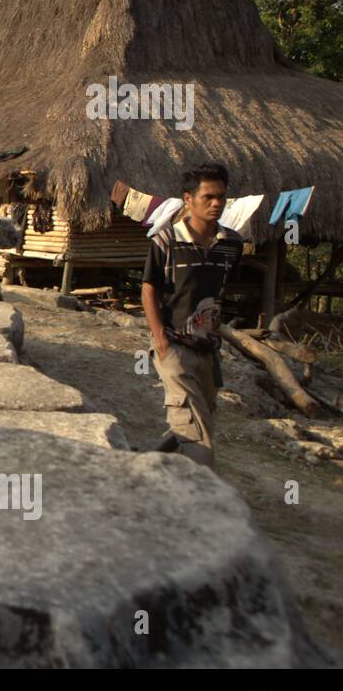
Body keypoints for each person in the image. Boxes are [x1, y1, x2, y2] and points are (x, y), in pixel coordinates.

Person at [141, 163, 243, 467]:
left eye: (221, 197)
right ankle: (203, 498)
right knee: (196, 434)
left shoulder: (232, 244)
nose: (216, 204)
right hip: (174, 347)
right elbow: (149, 288)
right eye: (208, 197)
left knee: (202, 417)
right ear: (188, 199)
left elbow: (220, 286)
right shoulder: (166, 241)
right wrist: (160, 339)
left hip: (208, 350)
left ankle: (149, 465)